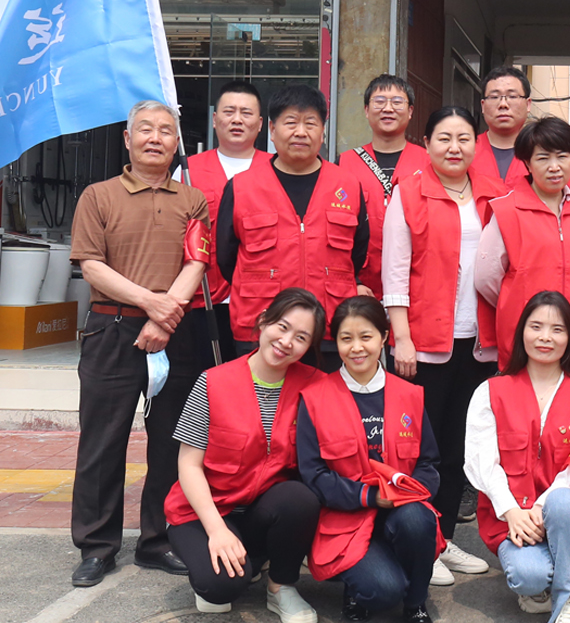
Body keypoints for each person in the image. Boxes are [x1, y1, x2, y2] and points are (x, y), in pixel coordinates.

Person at [68, 100, 209, 587]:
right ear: (127, 140)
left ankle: (158, 541)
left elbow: (196, 262)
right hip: (112, 330)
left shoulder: (192, 200)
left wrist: (165, 318)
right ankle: (96, 546)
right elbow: (92, 265)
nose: (155, 138)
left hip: (174, 333)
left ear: (176, 142)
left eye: (165, 131)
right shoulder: (98, 196)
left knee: (172, 442)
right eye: (144, 129)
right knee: (102, 443)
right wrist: (151, 304)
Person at [381, 104, 503, 584]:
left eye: (464, 138)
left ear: (477, 144)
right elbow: (395, 271)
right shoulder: (408, 193)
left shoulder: (494, 193)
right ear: (426, 144)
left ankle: (443, 539)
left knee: (457, 450)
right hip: (424, 345)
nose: (455, 148)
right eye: (444, 138)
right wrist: (402, 338)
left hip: (479, 343)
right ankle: (418, 543)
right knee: (419, 450)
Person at [464, 292, 570, 623]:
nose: (545, 337)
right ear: (522, 331)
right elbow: (479, 461)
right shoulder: (490, 392)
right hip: (513, 517)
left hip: (567, 513)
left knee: (563, 499)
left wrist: (539, 507)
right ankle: (551, 572)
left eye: (557, 329)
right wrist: (511, 511)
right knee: (530, 577)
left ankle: (568, 603)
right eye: (536, 327)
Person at [165, 288, 326, 623]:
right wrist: (217, 531)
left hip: (261, 514)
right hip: (203, 513)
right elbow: (189, 465)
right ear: (264, 321)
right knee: (221, 588)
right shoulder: (212, 382)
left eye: (301, 338)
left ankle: (281, 585)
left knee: (298, 497)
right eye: (282, 327)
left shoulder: (317, 387)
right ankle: (236, 562)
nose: (286, 342)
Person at [295, 296, 443, 623]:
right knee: (381, 592)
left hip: (401, 510)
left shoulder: (409, 395)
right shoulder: (315, 398)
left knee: (418, 520)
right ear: (335, 342)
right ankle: (362, 582)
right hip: (347, 518)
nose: (356, 347)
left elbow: (428, 463)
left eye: (366, 337)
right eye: (346, 338)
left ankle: (416, 604)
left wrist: (407, 494)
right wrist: (370, 496)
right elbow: (314, 474)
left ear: (384, 337)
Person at [216, 84, 368, 370]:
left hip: (329, 329)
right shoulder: (241, 187)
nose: (301, 132)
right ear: (272, 130)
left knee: (324, 399)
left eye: (310, 123)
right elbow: (226, 258)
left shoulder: (348, 185)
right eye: (290, 123)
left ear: (323, 131)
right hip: (261, 327)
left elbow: (357, 255)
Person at [476, 116, 570, 377]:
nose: (554, 167)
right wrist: (516, 300)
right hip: (524, 341)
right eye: (543, 158)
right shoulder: (506, 211)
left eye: (562, 156)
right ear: (527, 163)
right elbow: (486, 278)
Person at [183, 79, 270, 365]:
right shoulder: (187, 171)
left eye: (246, 113)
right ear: (214, 119)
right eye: (229, 111)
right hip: (204, 298)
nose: (237, 120)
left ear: (260, 123)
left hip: (263, 301)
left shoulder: (278, 169)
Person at [337, 74, 431, 300]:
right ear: (366, 110)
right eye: (379, 102)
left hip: (416, 285)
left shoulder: (429, 163)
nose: (388, 109)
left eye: (397, 102)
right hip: (360, 288)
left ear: (410, 111)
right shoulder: (344, 163)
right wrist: (353, 282)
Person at [470, 64, 533, 186]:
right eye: (494, 97)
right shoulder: (466, 150)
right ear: (483, 105)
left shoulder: (540, 151)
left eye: (512, 96)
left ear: (528, 104)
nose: (503, 104)